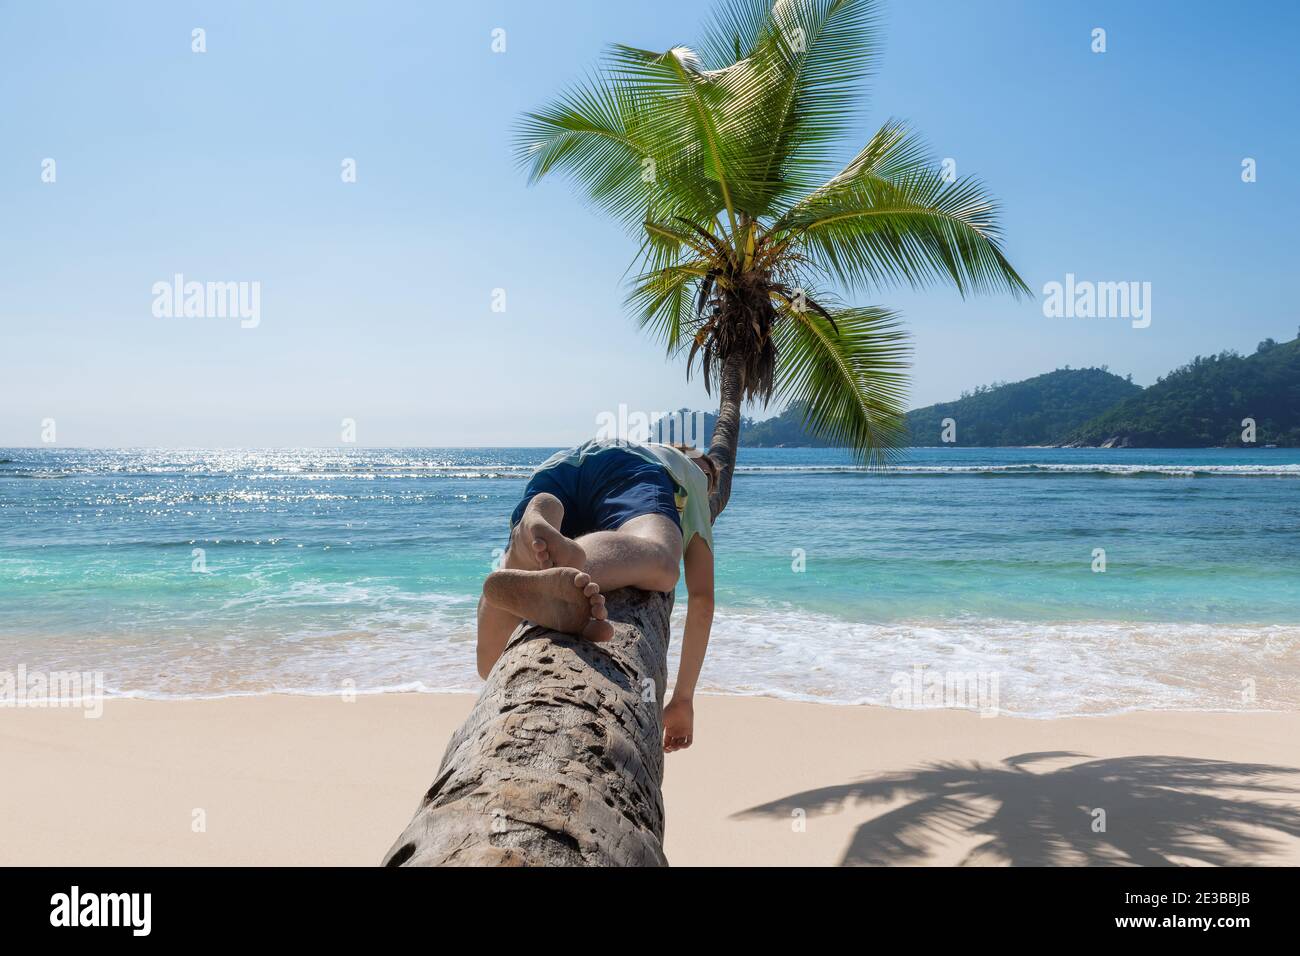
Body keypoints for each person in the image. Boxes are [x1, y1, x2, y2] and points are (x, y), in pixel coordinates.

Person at [476, 438, 718, 752]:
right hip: (626, 469)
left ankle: (524, 546)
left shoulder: (616, 444)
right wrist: (683, 699)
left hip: (551, 472)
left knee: (490, 663)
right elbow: (702, 598)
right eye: (709, 480)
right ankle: (566, 563)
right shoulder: (690, 473)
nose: (708, 489)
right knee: (662, 561)